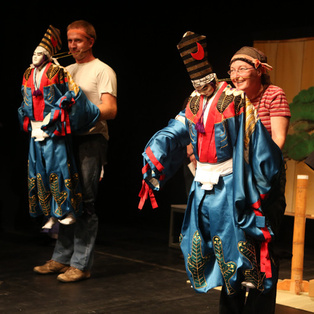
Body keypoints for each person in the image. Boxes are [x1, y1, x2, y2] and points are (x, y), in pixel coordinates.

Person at [139, 31, 283, 299]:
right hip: (202, 180)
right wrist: (153, 154)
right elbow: (176, 130)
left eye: (203, 82)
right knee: (200, 235)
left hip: (230, 180)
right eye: (194, 83)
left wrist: (261, 185)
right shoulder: (194, 102)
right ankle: (220, 279)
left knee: (235, 231)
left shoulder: (235, 101)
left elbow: (261, 143)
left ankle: (250, 274)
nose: (199, 88)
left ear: (212, 78)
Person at [33, 20, 117, 282]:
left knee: (86, 203)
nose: (72, 46)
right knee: (65, 199)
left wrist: (80, 116)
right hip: (65, 142)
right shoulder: (65, 69)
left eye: (78, 40)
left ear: (91, 41)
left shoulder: (103, 70)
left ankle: (81, 264)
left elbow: (110, 109)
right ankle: (60, 259)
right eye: (69, 41)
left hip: (90, 141)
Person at [219, 47, 291, 313]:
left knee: (262, 244)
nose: (235, 75)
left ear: (259, 69)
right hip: (233, 179)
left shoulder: (274, 94)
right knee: (231, 247)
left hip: (265, 179)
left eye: (241, 69)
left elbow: (278, 141)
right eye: (231, 70)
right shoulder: (230, 99)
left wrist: (257, 173)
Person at [18, 25, 100, 229]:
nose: (35, 56)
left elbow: (71, 94)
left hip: (53, 129)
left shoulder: (58, 71)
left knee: (59, 169)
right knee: (38, 171)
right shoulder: (28, 73)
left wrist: (54, 116)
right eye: (34, 52)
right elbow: (24, 99)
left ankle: (66, 210)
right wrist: (27, 121)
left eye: (40, 53)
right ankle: (49, 214)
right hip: (35, 129)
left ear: (46, 55)